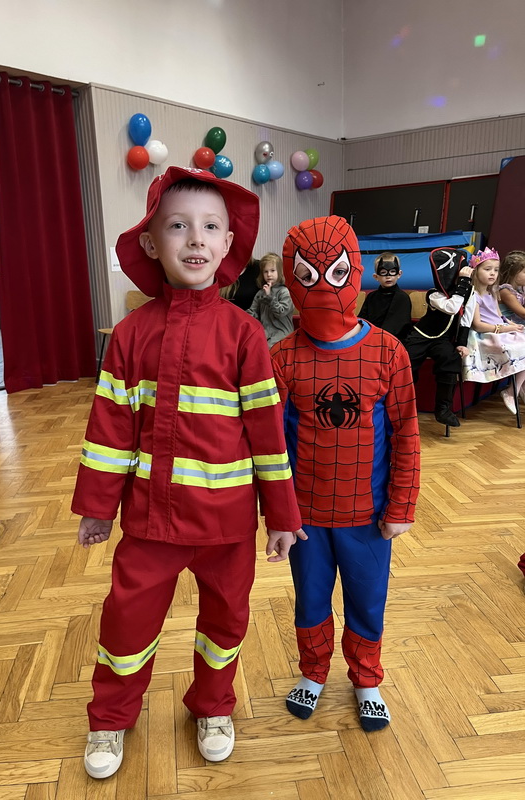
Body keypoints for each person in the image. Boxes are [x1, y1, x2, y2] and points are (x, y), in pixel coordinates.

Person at [72, 166, 304, 779]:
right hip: (150, 521)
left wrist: (282, 515)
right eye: (178, 226)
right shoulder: (130, 335)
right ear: (151, 242)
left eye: (209, 227)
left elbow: (268, 437)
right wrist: (98, 506)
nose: (195, 238)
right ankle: (110, 716)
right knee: (125, 622)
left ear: (228, 244)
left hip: (228, 526)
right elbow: (110, 431)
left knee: (226, 622)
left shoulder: (245, 335)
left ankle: (213, 706)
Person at [270, 215, 420, 732]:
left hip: (369, 516)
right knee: (310, 600)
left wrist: (401, 506)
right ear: (292, 279)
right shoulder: (282, 357)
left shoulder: (388, 352)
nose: (322, 290)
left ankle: (366, 679)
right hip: (306, 517)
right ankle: (313, 672)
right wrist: (278, 514)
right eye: (306, 277)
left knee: (367, 600)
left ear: (353, 271)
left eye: (334, 274)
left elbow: (406, 434)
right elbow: (269, 446)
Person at [403, 247, 474, 428]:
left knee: (450, 358)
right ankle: (402, 406)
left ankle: (443, 409)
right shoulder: (433, 293)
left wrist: (461, 343)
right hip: (421, 335)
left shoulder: (469, 292)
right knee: (407, 361)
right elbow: (452, 307)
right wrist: (463, 282)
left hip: (442, 339)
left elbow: (466, 319)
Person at [461, 247, 525, 413]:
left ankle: (517, 388)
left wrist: (512, 325)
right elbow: (477, 325)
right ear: (476, 271)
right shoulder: (474, 295)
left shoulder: (493, 292)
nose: (492, 273)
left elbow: (500, 316)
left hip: (500, 330)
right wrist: (505, 328)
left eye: (496, 270)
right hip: (487, 335)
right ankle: (512, 391)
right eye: (487, 269)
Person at [357, 252, 412, 340]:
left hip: (392, 340)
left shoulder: (402, 298)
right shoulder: (371, 297)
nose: (388, 276)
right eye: (383, 272)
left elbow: (397, 326)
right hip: (370, 337)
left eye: (392, 272)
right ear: (376, 276)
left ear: (399, 274)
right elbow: (362, 320)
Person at [247, 252, 295, 347]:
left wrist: (269, 297)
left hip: (282, 334)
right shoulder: (260, 293)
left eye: (272, 270)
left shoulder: (285, 292)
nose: (269, 274)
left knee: (266, 349)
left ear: (280, 271)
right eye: (266, 271)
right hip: (265, 333)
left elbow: (280, 312)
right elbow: (253, 312)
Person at [499, 250, 525, 324]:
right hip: (508, 325)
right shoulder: (505, 291)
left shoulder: (520, 289)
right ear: (513, 272)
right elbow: (523, 313)